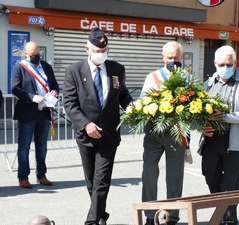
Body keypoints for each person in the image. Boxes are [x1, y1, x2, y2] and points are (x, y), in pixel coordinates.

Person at [63, 27, 133, 225]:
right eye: (97, 51)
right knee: (91, 181)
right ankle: (101, 214)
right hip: (86, 134)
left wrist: (130, 104)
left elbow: (123, 94)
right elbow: (69, 103)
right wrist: (86, 124)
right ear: (87, 48)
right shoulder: (74, 71)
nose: (101, 54)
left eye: (104, 51)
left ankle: (91, 221)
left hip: (109, 133)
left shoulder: (117, 69)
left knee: (102, 180)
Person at [199, 45, 239, 225]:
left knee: (230, 185)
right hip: (211, 141)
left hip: (234, 142)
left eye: (229, 64)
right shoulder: (207, 84)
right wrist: (201, 126)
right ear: (215, 63)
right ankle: (221, 214)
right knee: (211, 178)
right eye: (222, 64)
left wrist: (224, 117)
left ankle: (229, 221)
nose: (225, 67)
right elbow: (197, 113)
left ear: (236, 63)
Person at [140, 41, 186, 225]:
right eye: (169, 57)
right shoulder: (152, 77)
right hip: (153, 134)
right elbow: (142, 102)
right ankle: (150, 216)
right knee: (149, 172)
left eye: (176, 57)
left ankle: (172, 217)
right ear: (163, 57)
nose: (173, 60)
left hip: (176, 133)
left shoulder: (187, 78)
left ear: (181, 57)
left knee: (174, 176)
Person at [11, 41, 59, 188]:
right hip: (27, 113)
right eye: (33, 54)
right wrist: (32, 97)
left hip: (44, 112)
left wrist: (54, 91)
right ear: (26, 54)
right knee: (24, 147)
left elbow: (55, 84)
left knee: (42, 147)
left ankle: (41, 175)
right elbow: (15, 89)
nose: (36, 56)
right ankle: (23, 177)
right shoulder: (19, 68)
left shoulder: (47, 67)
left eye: (38, 53)